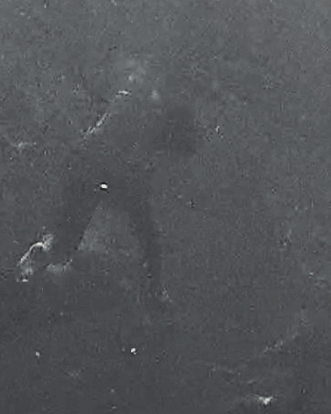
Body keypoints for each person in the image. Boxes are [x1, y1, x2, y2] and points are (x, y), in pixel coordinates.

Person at [15, 66, 198, 313]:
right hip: (106, 175)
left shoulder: (133, 104)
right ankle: (154, 292)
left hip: (83, 164)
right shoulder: (148, 125)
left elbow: (101, 132)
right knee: (146, 235)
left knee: (66, 235)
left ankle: (44, 252)